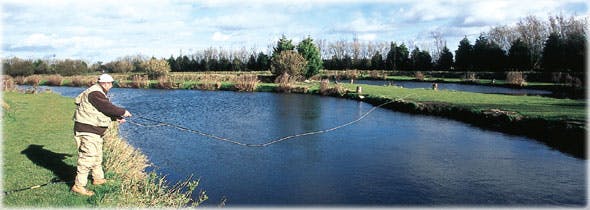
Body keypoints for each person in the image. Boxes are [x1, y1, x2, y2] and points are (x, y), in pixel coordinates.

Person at [71, 74, 132, 196]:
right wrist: (122, 112)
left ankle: (98, 179)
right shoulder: (95, 93)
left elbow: (99, 110)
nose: (111, 85)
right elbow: (107, 107)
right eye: (110, 83)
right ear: (104, 83)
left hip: (93, 131)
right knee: (87, 158)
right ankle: (78, 186)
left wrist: (116, 117)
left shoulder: (97, 92)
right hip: (87, 130)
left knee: (97, 157)